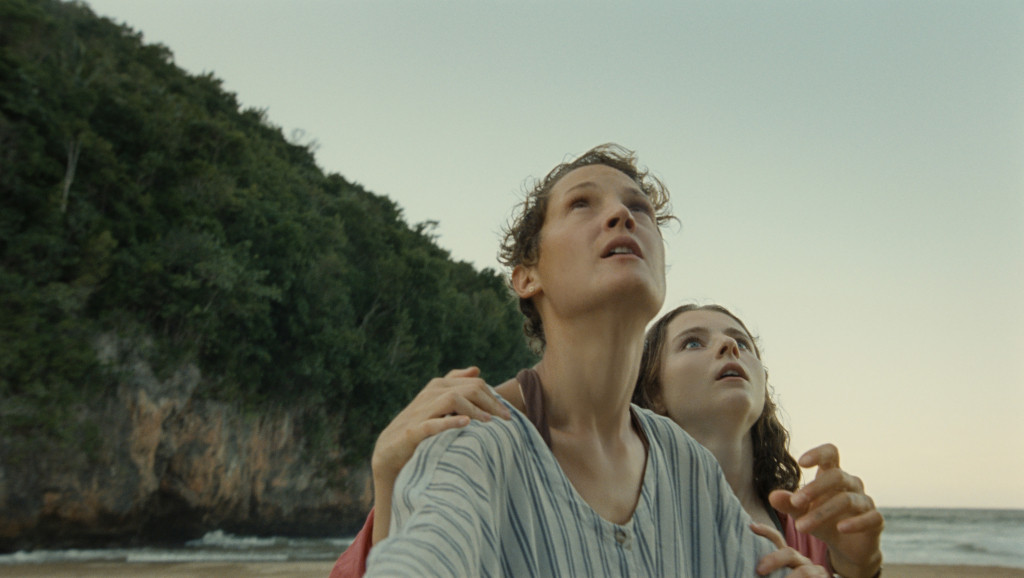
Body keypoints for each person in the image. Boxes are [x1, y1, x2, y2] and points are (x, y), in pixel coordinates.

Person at [355, 145, 806, 577]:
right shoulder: (474, 439)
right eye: (581, 204)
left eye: (640, 208)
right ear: (526, 277)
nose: (622, 214)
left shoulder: (689, 466)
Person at [632, 303, 884, 577]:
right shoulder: (629, 515)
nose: (729, 345)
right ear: (654, 391)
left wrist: (862, 566)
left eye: (742, 343)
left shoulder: (809, 527)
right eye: (693, 343)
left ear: (762, 384)